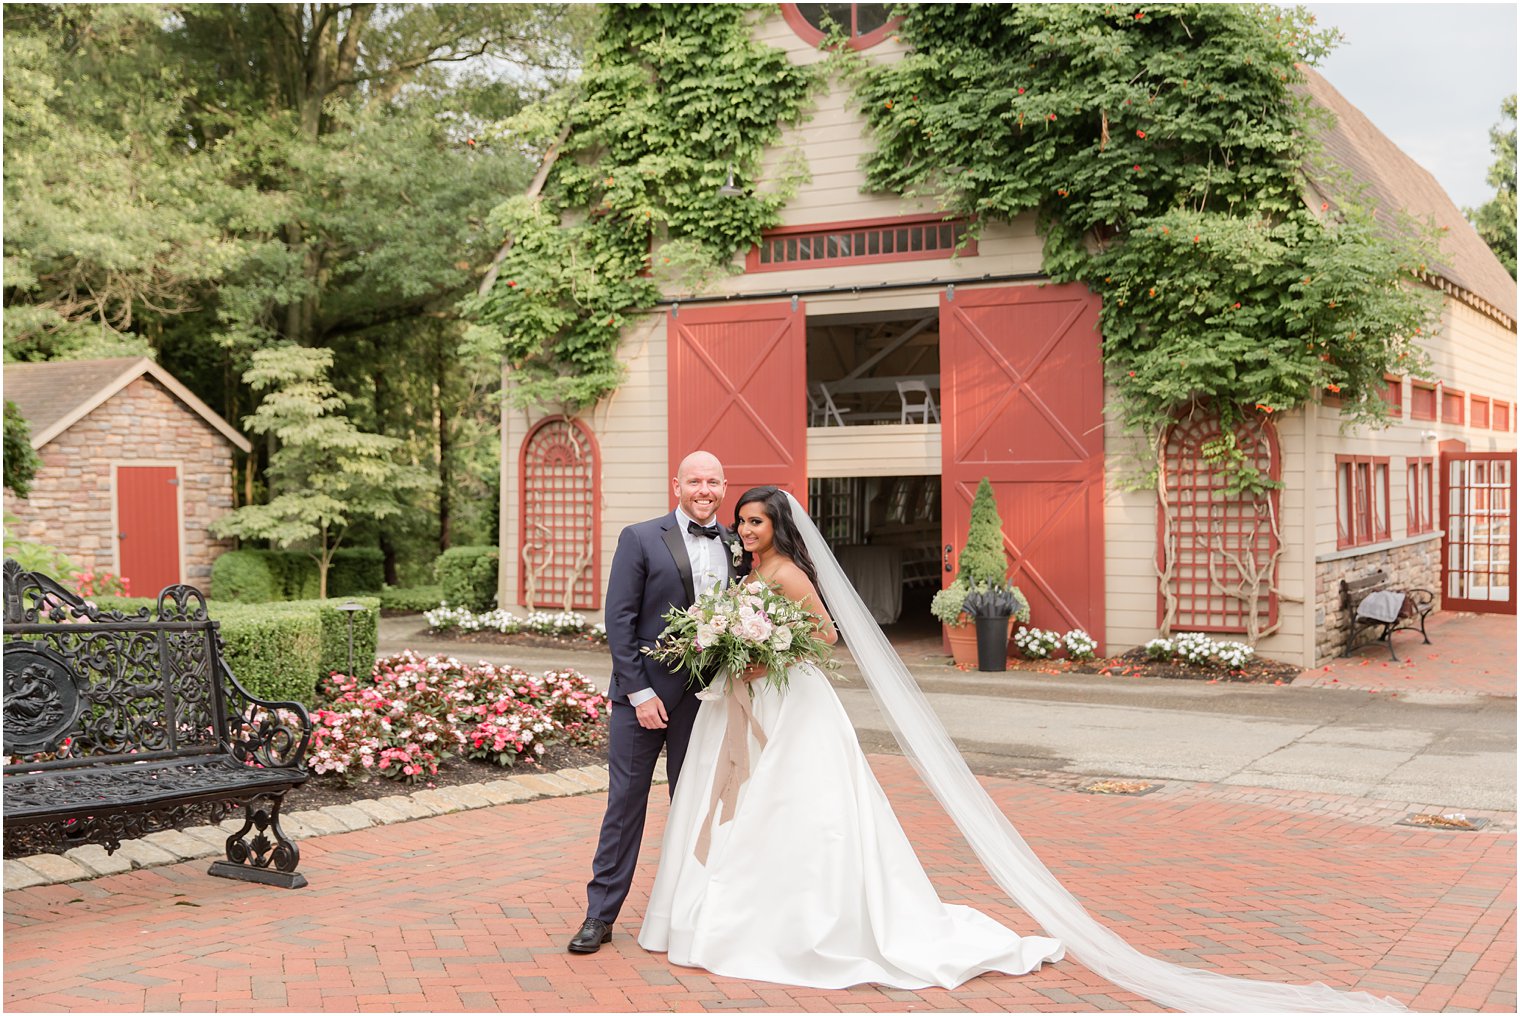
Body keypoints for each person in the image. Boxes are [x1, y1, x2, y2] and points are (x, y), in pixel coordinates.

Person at [638, 486, 1405, 1012]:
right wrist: (734, 643)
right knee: (744, 809)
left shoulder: (794, 577)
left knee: (803, 815)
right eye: (741, 524)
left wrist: (771, 648)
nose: (745, 532)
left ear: (780, 528)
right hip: (747, 704)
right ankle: (735, 913)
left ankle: (801, 924)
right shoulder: (747, 572)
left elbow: (829, 637)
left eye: (755, 524)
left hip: (792, 706)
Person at [568, 451, 739, 955]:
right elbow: (619, 621)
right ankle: (599, 916)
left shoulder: (736, 543)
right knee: (625, 805)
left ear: (724, 486)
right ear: (677, 485)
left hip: (704, 701)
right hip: (640, 698)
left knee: (695, 806)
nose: (703, 489)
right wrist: (640, 692)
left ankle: (689, 911)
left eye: (713, 481)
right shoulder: (640, 537)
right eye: (694, 481)